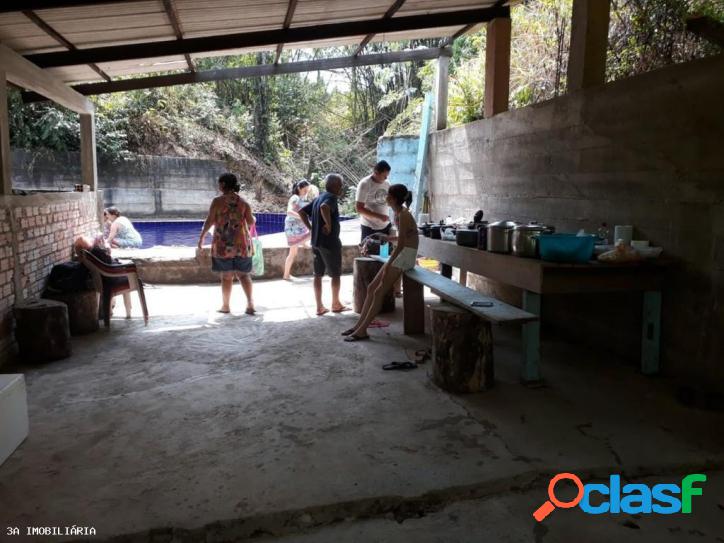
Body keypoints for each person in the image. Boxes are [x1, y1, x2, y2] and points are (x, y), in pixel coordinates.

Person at [342, 184, 418, 342]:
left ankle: (362, 331)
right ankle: (358, 326)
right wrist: (384, 237)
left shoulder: (404, 214)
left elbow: (403, 244)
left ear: (394, 198)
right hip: (402, 253)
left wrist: (389, 263)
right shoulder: (398, 213)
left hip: (406, 256)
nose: (386, 198)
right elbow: (402, 238)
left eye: (388, 195)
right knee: (371, 289)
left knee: (378, 292)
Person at [197, 173, 256, 315]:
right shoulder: (244, 202)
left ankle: (226, 306)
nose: (218, 186)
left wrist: (202, 237)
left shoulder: (217, 201)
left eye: (219, 183)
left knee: (226, 276)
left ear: (223, 184)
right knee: (244, 275)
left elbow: (209, 221)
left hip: (224, 246)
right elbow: (251, 222)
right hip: (242, 245)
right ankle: (250, 304)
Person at [298, 174, 349, 316]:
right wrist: (328, 224)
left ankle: (319, 306)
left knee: (318, 274)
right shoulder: (330, 198)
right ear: (335, 186)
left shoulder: (318, 198)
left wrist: (311, 228)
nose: (341, 188)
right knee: (336, 275)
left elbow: (302, 212)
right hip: (329, 243)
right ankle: (336, 304)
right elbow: (324, 207)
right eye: (340, 185)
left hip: (316, 242)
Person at [356, 160, 392, 245]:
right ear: (376, 172)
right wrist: (379, 216)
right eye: (384, 176)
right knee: (368, 252)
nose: (386, 178)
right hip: (369, 227)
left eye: (387, 176)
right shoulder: (365, 184)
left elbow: (391, 200)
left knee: (384, 253)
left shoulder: (387, 183)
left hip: (385, 226)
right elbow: (359, 208)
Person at [283, 180, 312, 280]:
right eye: (305, 190)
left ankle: (303, 243)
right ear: (299, 188)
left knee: (313, 231)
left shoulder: (301, 198)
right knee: (293, 253)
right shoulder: (295, 198)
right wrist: (302, 217)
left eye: (307, 190)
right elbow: (289, 212)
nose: (306, 192)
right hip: (293, 228)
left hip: (298, 227)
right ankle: (286, 275)